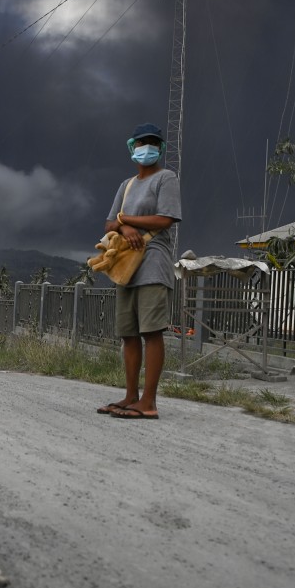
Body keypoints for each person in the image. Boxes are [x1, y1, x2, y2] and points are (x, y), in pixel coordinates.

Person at [97, 122, 182, 419]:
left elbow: (166, 219)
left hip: (153, 263)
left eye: (153, 143)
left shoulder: (166, 178)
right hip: (126, 267)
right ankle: (131, 395)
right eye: (142, 142)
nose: (148, 147)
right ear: (132, 148)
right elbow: (110, 223)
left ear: (159, 148)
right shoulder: (127, 185)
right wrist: (124, 225)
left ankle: (149, 401)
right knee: (129, 334)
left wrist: (127, 219)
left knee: (151, 331)